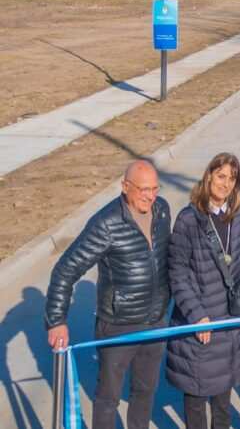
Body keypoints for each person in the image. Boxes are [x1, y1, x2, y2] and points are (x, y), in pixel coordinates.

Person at [45, 160, 171, 429]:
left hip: (156, 322)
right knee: (108, 397)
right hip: (118, 326)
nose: (150, 196)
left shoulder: (162, 211)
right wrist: (56, 320)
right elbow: (66, 269)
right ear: (125, 187)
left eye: (154, 188)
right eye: (143, 189)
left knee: (145, 391)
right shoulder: (106, 223)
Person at [166, 153, 240, 429]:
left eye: (231, 178)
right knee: (196, 396)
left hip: (228, 321)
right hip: (200, 322)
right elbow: (177, 273)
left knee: (223, 401)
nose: (225, 184)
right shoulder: (189, 220)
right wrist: (197, 315)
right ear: (208, 176)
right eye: (220, 176)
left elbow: (239, 258)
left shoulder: (238, 212)